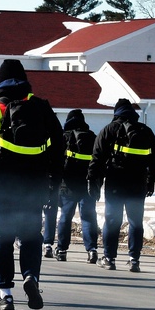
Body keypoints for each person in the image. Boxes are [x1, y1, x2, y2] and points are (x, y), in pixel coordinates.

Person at [0, 59, 64, 310]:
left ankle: (5, 293)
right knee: (30, 237)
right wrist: (54, 186)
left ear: (0, 81)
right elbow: (59, 151)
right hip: (33, 189)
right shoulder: (42, 109)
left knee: (1, 240)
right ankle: (31, 277)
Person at [88, 98, 155, 273]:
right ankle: (134, 259)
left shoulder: (109, 130)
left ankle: (109, 258)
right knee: (135, 221)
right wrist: (151, 180)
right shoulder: (145, 131)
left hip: (116, 181)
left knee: (112, 220)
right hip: (138, 183)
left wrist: (93, 181)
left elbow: (97, 158)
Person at [55, 109, 99, 263]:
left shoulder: (64, 137)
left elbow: (56, 162)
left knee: (65, 217)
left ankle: (61, 250)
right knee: (88, 217)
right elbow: (98, 161)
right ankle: (92, 250)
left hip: (68, 185)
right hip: (88, 184)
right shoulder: (93, 137)